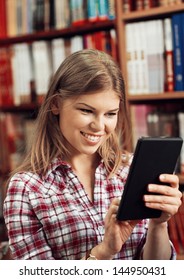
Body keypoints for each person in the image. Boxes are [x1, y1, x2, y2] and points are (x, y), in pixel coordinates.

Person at [3, 49, 182, 260]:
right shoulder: (26, 188)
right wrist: (104, 252)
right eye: (86, 111)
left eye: (110, 114)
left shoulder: (131, 170)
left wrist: (158, 224)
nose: (99, 126)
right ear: (55, 104)